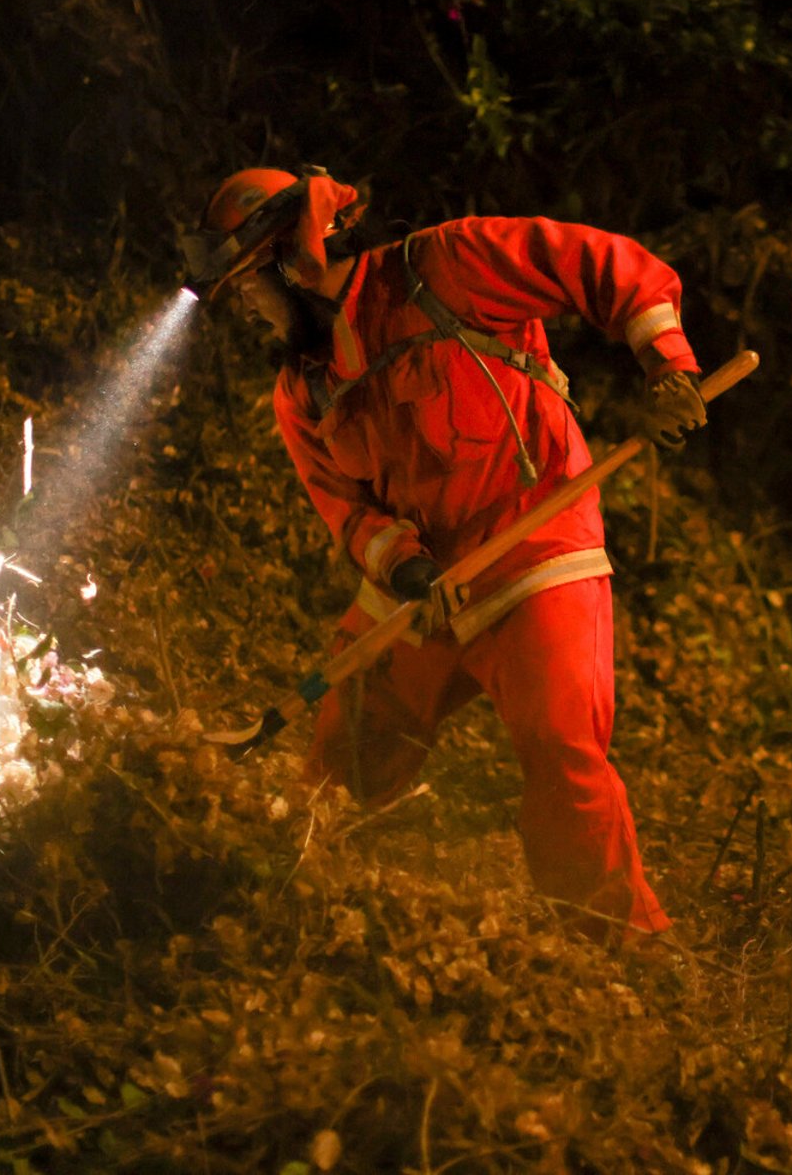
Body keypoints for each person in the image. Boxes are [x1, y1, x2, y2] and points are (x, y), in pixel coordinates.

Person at [186, 166, 708, 940]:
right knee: (340, 754)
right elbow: (348, 512)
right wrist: (404, 564)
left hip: (538, 551)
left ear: (291, 264)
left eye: (248, 290)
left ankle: (627, 953)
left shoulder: (450, 265)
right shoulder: (302, 390)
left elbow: (608, 264)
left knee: (563, 751)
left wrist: (667, 367)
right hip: (423, 587)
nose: (251, 313)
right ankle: (308, 915)